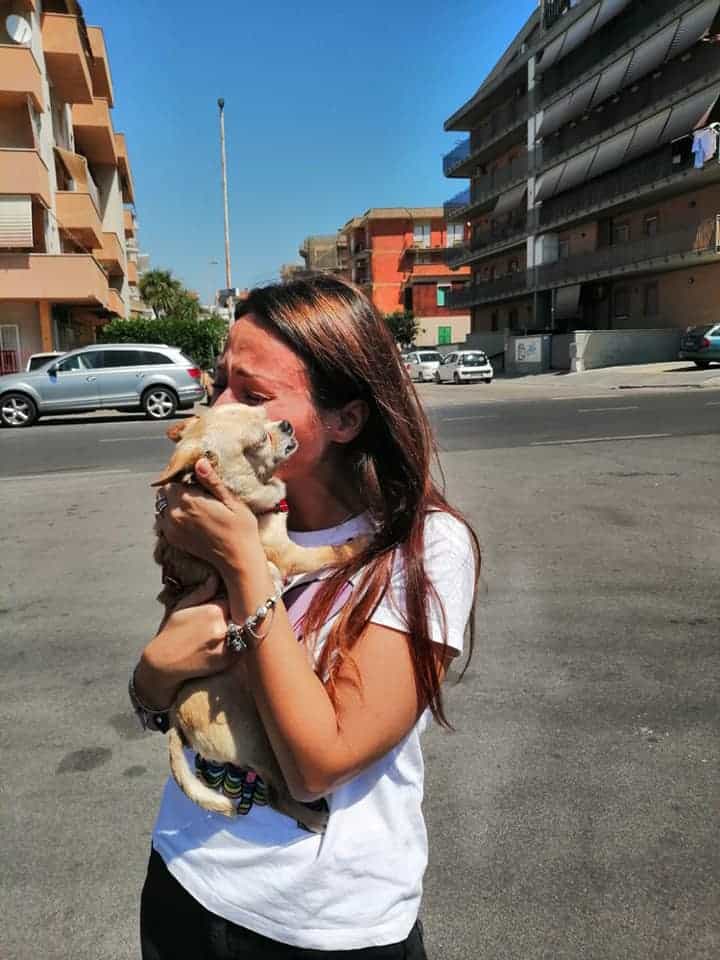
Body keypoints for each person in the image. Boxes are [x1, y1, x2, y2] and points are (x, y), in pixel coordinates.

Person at [131, 275, 480, 958]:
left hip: (324, 926)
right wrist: (148, 679)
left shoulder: (423, 548)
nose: (222, 407)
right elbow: (177, 691)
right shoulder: (223, 516)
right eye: (221, 383)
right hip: (184, 880)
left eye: (253, 395)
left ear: (346, 419)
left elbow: (318, 765)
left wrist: (244, 567)